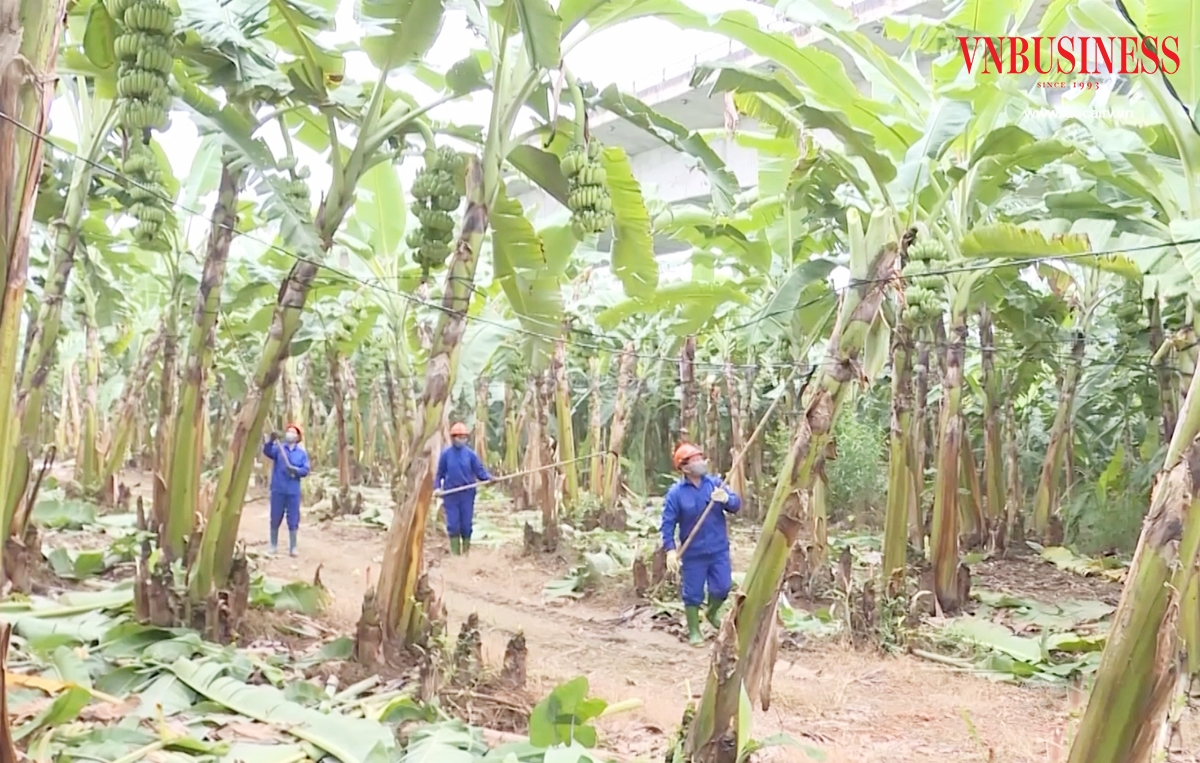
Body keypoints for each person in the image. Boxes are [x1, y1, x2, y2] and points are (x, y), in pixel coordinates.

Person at [661, 442, 742, 646]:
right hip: (693, 552)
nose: (700, 463)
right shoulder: (676, 494)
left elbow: (736, 505)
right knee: (693, 593)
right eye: (695, 460)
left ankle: (712, 612)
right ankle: (694, 631)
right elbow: (668, 523)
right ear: (684, 467)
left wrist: (726, 499)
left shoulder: (715, 484)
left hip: (718, 549)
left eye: (700, 458)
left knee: (723, 587)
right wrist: (670, 550)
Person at [433, 421, 491, 555]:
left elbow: (480, 472)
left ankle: (465, 554)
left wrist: (489, 479)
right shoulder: (446, 455)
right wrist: (436, 488)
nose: (461, 440)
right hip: (451, 495)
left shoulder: (470, 455)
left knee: (466, 525)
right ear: (453, 438)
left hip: (467, 494)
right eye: (459, 437)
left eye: (464, 437)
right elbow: (439, 474)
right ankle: (455, 555)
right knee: (453, 525)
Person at [263, 423, 311, 557]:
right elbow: (267, 452)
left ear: (298, 437)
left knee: (293, 518)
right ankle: (273, 545)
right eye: (288, 431)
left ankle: (293, 547)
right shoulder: (279, 448)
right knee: (275, 516)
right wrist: (270, 440)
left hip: (293, 491)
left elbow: (306, 470)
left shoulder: (301, 454)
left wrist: (296, 470)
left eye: (293, 432)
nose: (290, 434)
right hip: (278, 488)